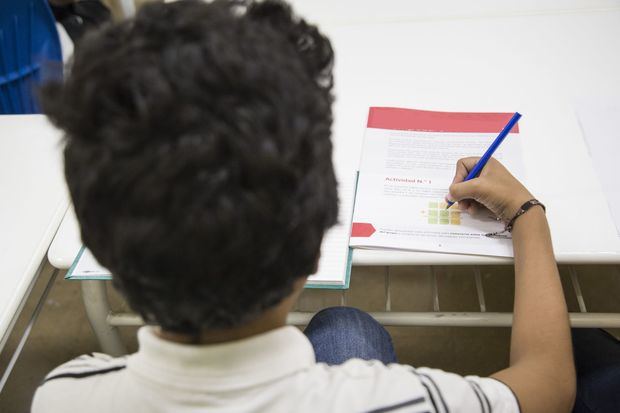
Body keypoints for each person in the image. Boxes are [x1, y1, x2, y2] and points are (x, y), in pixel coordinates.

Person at [33, 0, 577, 412]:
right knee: (347, 329)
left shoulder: (62, 394)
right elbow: (549, 382)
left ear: (102, 245)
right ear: (315, 241)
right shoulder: (401, 401)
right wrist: (528, 213)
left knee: (344, 326)